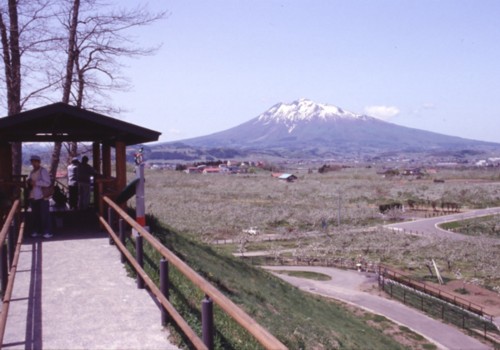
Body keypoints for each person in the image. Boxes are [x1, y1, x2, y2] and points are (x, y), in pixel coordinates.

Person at [28, 155, 53, 238]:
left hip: (42, 196)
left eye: (35, 161)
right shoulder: (32, 172)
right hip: (34, 196)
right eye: (32, 161)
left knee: (44, 215)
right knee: (36, 215)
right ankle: (37, 230)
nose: (33, 163)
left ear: (39, 162)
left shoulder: (43, 171)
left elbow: (47, 183)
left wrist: (36, 183)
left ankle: (47, 231)